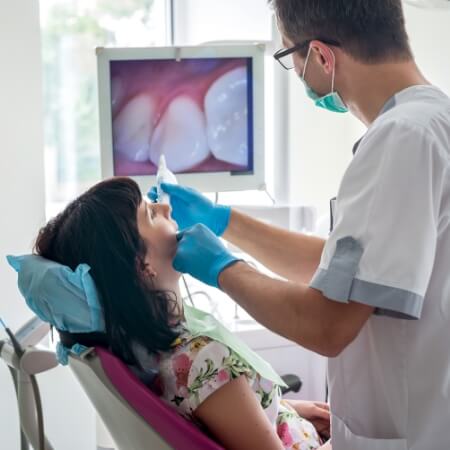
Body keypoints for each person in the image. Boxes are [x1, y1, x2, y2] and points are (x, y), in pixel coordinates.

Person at [150, 1, 450, 449]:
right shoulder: (430, 121)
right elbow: (345, 271)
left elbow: (327, 325)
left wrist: (223, 268)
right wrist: (225, 222)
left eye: (290, 58)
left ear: (322, 58)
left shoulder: (402, 138)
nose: (298, 76)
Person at [34, 177, 331, 450]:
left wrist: (284, 410)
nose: (165, 206)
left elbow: (223, 417)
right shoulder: (202, 360)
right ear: (142, 265)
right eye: (151, 213)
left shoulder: (154, 354)